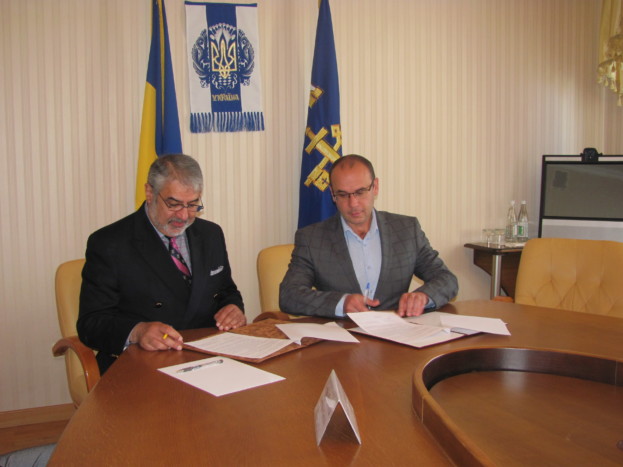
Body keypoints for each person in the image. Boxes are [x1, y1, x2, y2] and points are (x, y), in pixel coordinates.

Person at [78, 154, 245, 374]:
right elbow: (91, 323)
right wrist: (137, 331)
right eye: (173, 204)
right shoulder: (110, 243)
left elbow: (226, 291)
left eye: (192, 205)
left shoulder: (210, 234)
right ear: (150, 193)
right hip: (141, 365)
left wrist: (233, 308)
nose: (183, 216)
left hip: (206, 359)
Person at [280, 154, 458, 318]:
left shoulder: (406, 230)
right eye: (343, 194)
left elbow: (447, 279)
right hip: (342, 335)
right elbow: (289, 295)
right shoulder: (311, 239)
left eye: (360, 192)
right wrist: (341, 303)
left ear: (375, 187)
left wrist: (424, 296)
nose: (353, 203)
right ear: (332, 194)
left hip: (397, 334)